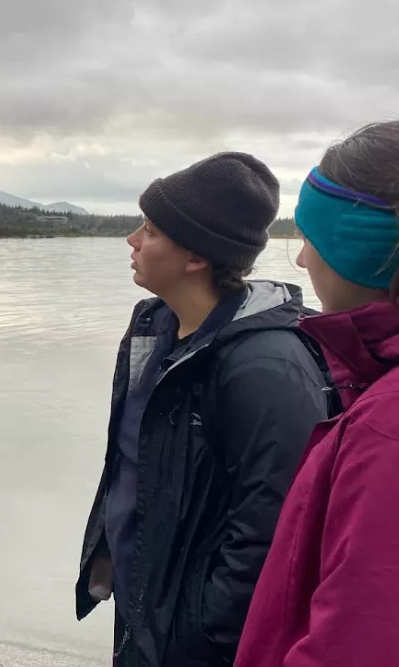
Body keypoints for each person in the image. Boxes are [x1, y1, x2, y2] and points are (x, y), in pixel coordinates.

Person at [75, 152, 330, 666]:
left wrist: (202, 633)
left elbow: (271, 532)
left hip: (194, 642)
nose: (132, 241)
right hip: (143, 611)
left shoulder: (267, 365)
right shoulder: (154, 328)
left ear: (195, 257)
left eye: (148, 229)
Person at [235, 123, 399, 667]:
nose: (303, 261)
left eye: (309, 238)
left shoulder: (386, 426)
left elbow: (354, 643)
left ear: (364, 251)